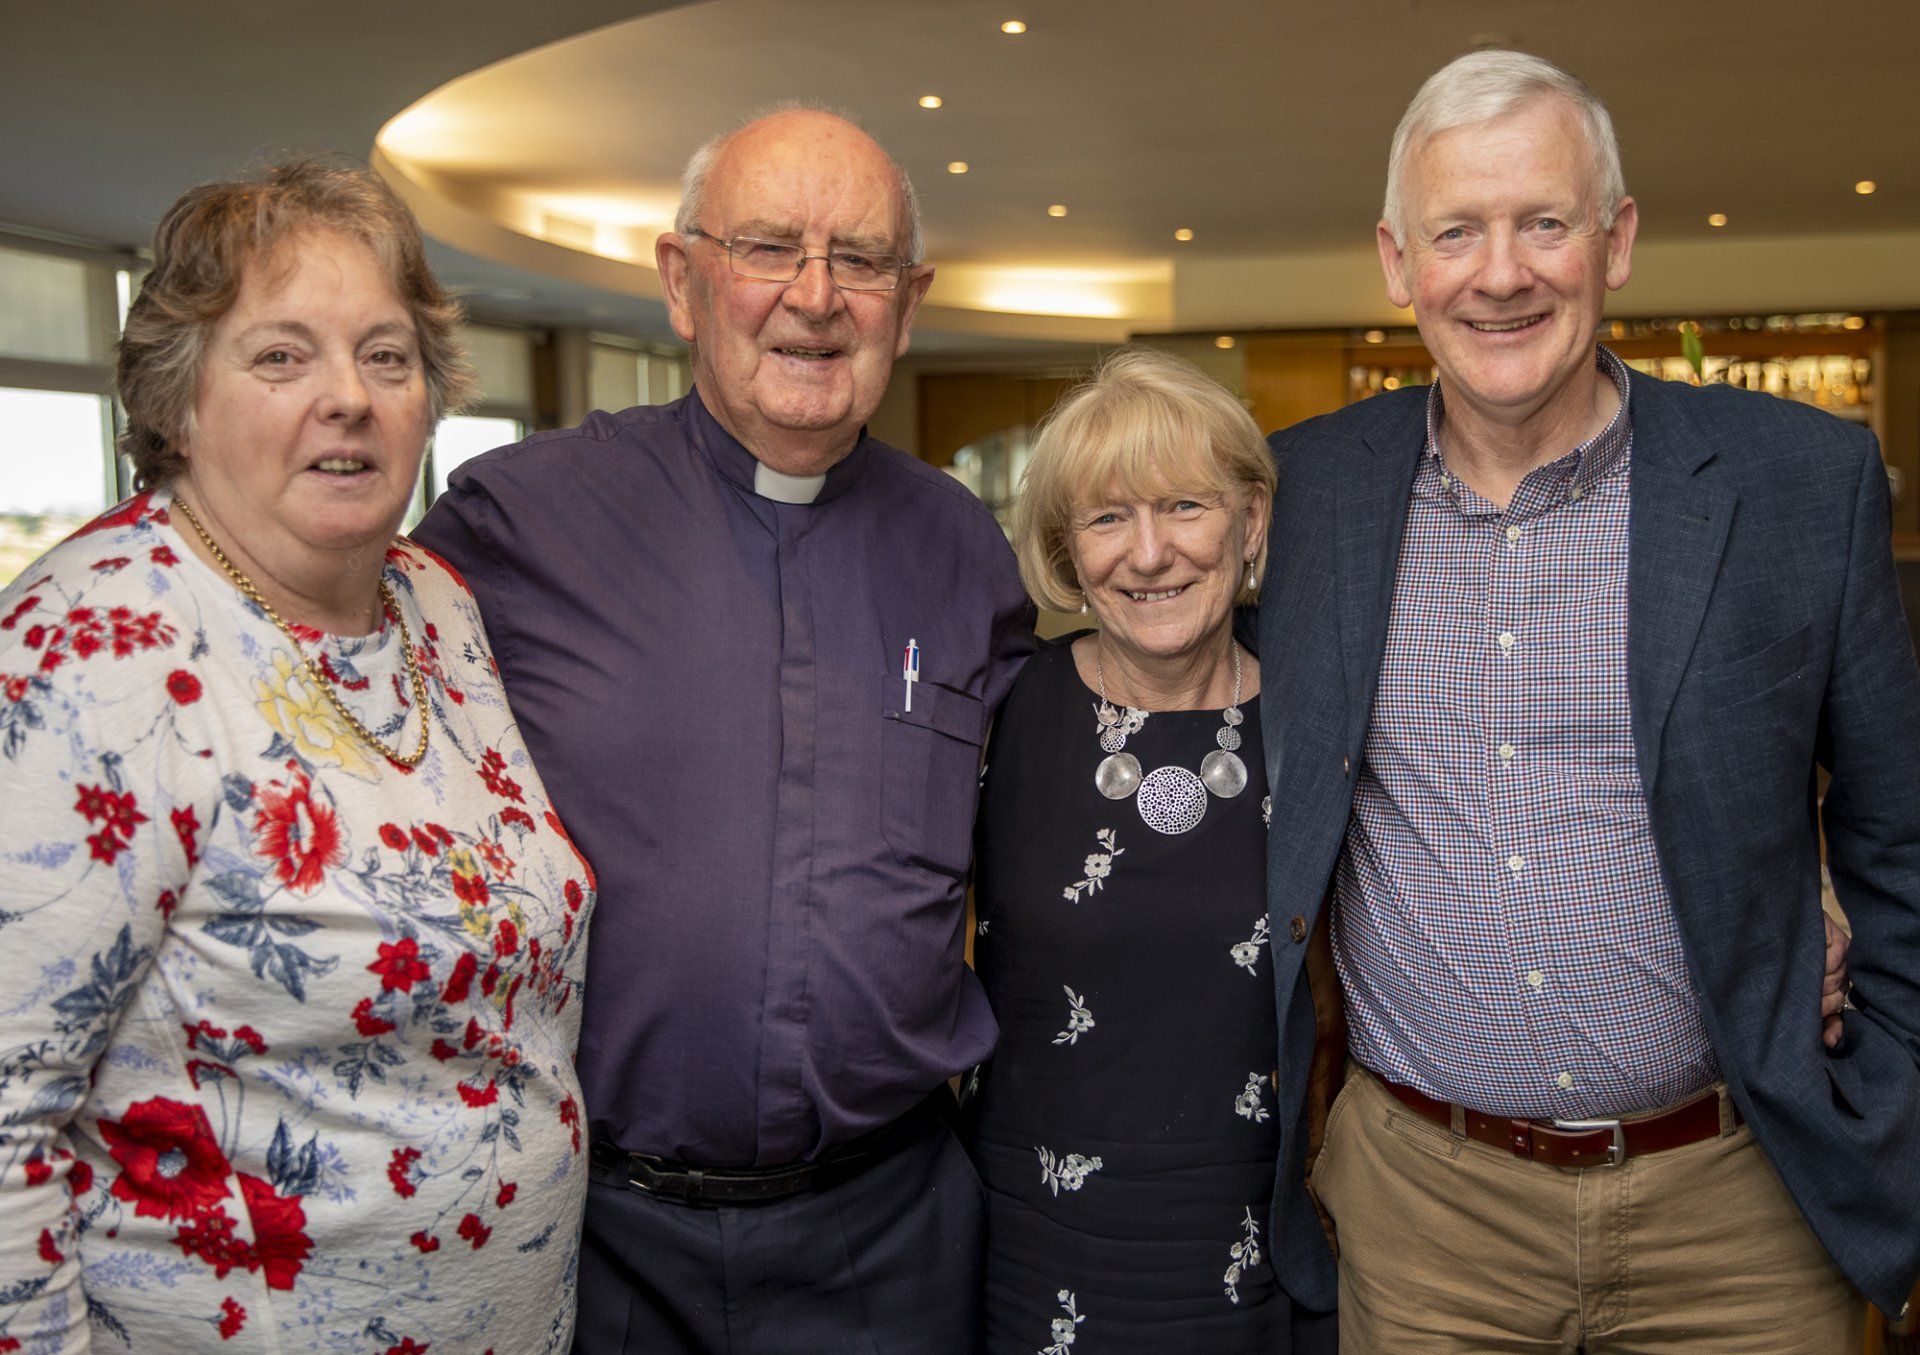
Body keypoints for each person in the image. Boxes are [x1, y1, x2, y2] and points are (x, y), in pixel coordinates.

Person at [1259, 49, 1920, 1351]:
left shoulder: (1803, 484)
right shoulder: (1300, 497)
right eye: (1458, 231)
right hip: (1426, 1214)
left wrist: (1890, 1103)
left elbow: (1898, 835)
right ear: (1398, 263)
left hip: (1739, 1206)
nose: (1500, 273)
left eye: (1543, 223)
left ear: (1615, 242)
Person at [412, 107, 1033, 1354]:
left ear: (907, 305)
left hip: (894, 1232)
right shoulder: (516, 523)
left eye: (857, 260)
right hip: (603, 1235)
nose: (815, 297)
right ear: (683, 282)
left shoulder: (963, 549)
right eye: (767, 248)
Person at [0, 161, 595, 1352]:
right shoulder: (87, 649)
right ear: (179, 399)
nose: (350, 398)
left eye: (387, 356)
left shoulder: (435, 602)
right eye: (282, 356)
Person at [968, 346, 1346, 1353]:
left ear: (1251, 520)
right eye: (1106, 517)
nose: (1148, 553)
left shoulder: (1328, 717)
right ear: (1067, 547)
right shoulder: (998, 717)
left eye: (1184, 505)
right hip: (1038, 1239)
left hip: (1278, 1246)